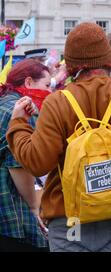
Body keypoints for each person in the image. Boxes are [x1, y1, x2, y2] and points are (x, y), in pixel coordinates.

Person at [6, 23, 111, 252]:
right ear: (108, 58)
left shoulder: (58, 102)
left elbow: (38, 163)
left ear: (72, 65)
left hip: (70, 219)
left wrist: (18, 123)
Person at [0, 59, 51, 252]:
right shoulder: (22, 109)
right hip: (12, 208)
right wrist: (33, 205)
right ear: (28, 82)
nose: (49, 92)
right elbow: (19, 164)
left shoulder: (4, 101)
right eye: (46, 85)